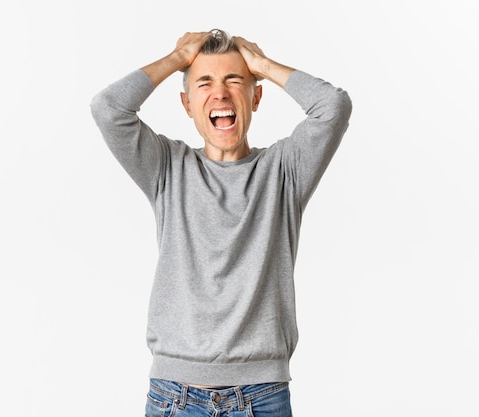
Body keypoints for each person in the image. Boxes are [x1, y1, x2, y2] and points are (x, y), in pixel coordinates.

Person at [90, 29, 352, 417]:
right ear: (188, 104)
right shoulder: (166, 167)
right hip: (174, 396)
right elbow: (108, 108)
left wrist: (262, 65)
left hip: (262, 397)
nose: (221, 94)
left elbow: (333, 106)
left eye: (234, 81)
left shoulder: (284, 171)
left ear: (255, 96)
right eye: (205, 83)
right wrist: (178, 58)